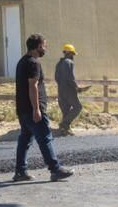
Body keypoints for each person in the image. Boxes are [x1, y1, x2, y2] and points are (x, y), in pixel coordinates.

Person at [13, 34, 73, 183]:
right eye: (44, 46)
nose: (45, 49)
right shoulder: (34, 63)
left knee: (25, 139)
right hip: (32, 108)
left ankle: (20, 171)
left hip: (22, 108)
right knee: (45, 138)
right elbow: (33, 86)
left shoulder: (22, 62)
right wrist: (36, 109)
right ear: (38, 47)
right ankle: (55, 169)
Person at [55, 43, 87, 135]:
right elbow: (70, 78)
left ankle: (65, 130)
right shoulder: (69, 62)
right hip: (69, 90)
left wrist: (61, 87)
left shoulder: (59, 63)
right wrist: (77, 88)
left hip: (61, 90)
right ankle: (64, 124)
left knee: (66, 111)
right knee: (78, 107)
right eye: (72, 54)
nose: (73, 56)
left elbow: (56, 78)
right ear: (69, 53)